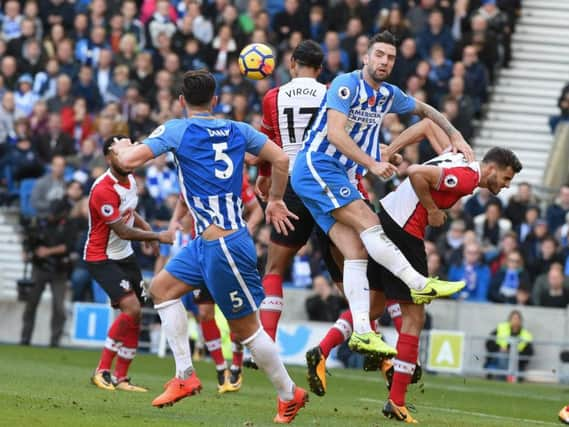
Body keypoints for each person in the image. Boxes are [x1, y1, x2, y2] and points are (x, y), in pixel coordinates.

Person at [112, 70, 309, 424]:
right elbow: (280, 159)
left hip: (226, 245)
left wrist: (122, 147)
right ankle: (185, 375)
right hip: (204, 242)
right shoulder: (238, 129)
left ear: (181, 101)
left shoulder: (177, 128)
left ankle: (288, 393)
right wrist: (275, 199)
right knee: (161, 289)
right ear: (215, 101)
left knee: (248, 332)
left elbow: (126, 162)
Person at [305, 143, 521, 422]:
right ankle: (396, 401)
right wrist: (431, 209)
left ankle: (321, 351)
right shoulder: (468, 177)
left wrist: (445, 134)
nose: (505, 186)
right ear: (492, 168)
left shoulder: (455, 156)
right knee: (414, 319)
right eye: (506, 178)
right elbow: (417, 171)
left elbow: (425, 128)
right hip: (406, 232)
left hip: (384, 224)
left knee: (373, 308)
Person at [291, 30, 471, 357]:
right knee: (370, 223)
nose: (384, 61)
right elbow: (334, 134)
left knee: (357, 250)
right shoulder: (346, 84)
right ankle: (419, 283)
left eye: (390, 57)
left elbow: (426, 111)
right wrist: (372, 163)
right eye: (379, 55)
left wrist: (455, 134)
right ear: (366, 57)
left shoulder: (388, 95)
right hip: (317, 166)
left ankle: (361, 332)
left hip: (334, 175)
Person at [85, 136, 173, 392]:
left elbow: (130, 211)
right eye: (121, 150)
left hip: (124, 255)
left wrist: (146, 228)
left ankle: (121, 378)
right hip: (101, 257)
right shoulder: (103, 189)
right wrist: (158, 235)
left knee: (136, 315)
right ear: (109, 157)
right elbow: (122, 230)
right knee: (132, 309)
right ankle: (102, 371)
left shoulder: (131, 180)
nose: (128, 154)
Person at [254, 40, 328, 343]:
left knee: (274, 267)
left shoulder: (274, 97)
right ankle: (365, 331)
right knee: (347, 270)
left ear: (292, 63)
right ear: (320, 69)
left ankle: (266, 342)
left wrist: (263, 175)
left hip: (292, 185)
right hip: (326, 185)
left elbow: (267, 144)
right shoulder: (331, 94)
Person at [20, 198, 74, 347]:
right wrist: (26, 251)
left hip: (59, 269)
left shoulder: (68, 225)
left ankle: (54, 340)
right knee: (31, 303)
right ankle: (25, 338)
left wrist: (48, 251)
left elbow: (68, 246)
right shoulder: (39, 223)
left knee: (59, 307)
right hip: (39, 267)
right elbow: (29, 239)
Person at [485, 310, 533, 382]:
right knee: (502, 356)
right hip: (498, 357)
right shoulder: (501, 328)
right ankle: (507, 378)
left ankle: (504, 379)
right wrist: (499, 348)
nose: (515, 321)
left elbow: (529, 352)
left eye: (517, 319)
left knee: (510, 359)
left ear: (521, 321)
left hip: (516, 361)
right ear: (509, 320)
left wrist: (513, 352)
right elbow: (489, 343)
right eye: (513, 318)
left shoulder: (526, 334)